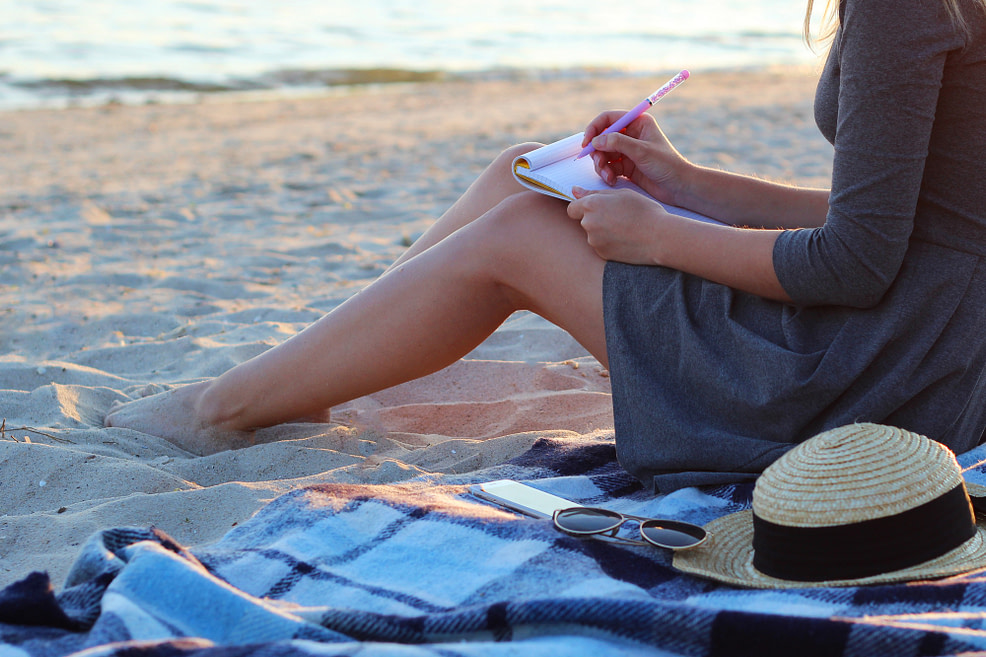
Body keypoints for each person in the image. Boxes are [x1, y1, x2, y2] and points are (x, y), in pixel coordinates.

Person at [106, 0, 986, 493]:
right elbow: (900, 210)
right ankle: (300, 369)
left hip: (879, 375)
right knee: (525, 173)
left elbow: (854, 260)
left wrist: (661, 235)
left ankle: (221, 410)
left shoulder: (903, 7)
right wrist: (680, 182)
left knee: (521, 237)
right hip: (922, 332)